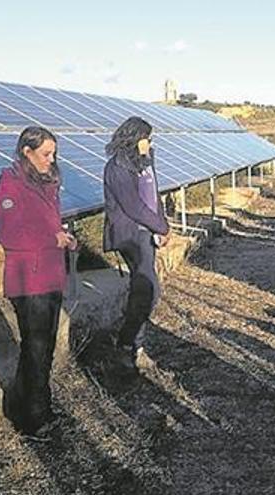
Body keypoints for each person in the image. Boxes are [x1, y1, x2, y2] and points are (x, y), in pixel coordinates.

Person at [0, 126, 76, 438]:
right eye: (45, 154)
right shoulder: (11, 186)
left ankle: (21, 405)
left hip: (50, 275)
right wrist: (51, 236)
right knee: (38, 349)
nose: (51, 159)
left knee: (41, 348)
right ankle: (36, 418)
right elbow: (10, 235)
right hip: (28, 282)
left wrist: (64, 237)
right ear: (27, 153)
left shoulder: (47, 185)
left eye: (53, 153)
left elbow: (49, 224)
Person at [103, 117, 170, 373]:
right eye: (147, 138)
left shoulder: (145, 162)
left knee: (147, 290)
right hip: (131, 235)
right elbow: (133, 206)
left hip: (147, 232)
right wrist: (159, 227)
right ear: (134, 137)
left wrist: (162, 225)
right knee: (147, 289)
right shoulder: (117, 167)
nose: (150, 143)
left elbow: (154, 198)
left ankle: (132, 345)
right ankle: (127, 345)